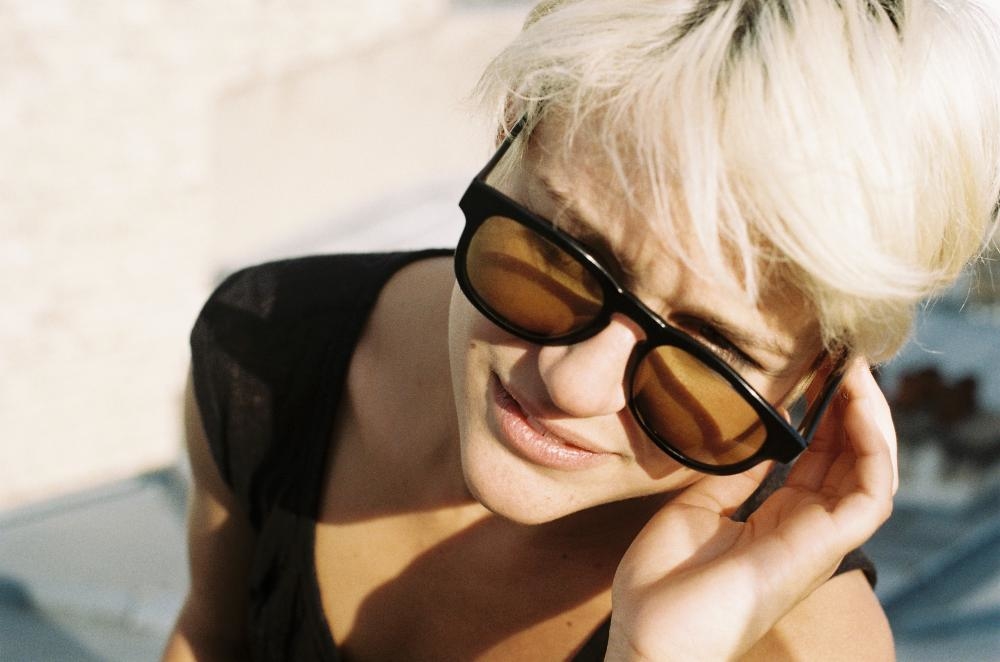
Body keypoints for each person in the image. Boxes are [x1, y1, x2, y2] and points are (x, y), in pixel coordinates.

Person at [162, 0, 1000, 659]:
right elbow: (210, 637)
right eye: (563, 257)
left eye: (708, 350)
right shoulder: (268, 351)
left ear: (823, 378)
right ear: (508, 137)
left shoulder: (807, 646)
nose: (572, 383)